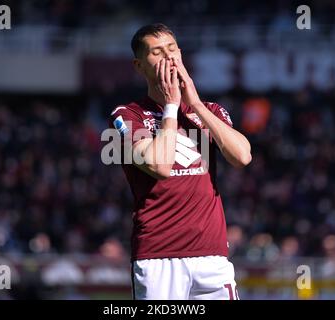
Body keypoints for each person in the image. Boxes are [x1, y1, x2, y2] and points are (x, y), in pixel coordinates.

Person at [108, 23, 252, 300]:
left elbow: (242, 156)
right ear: (139, 66)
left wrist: (195, 104)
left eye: (172, 49)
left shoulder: (210, 110)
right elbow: (160, 166)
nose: (169, 58)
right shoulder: (128, 115)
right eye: (157, 52)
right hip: (159, 256)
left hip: (213, 255)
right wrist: (172, 107)